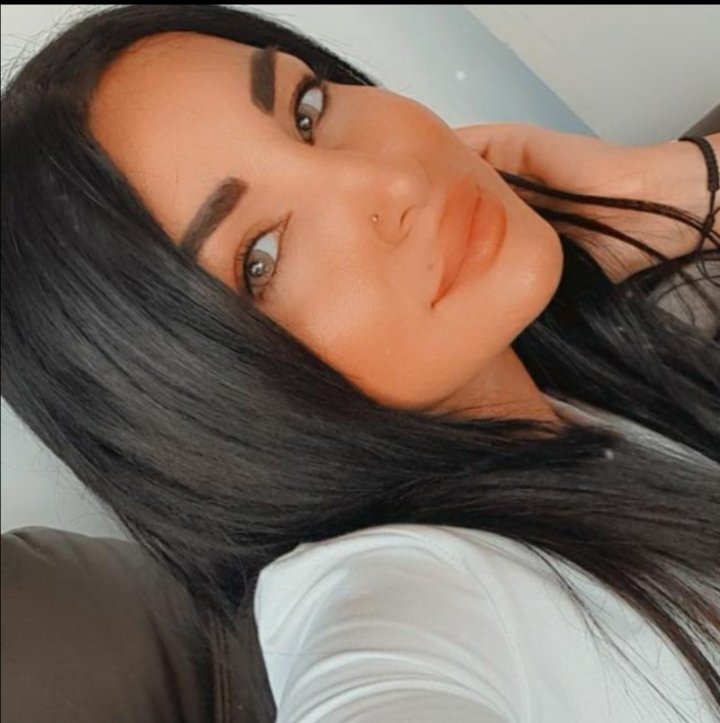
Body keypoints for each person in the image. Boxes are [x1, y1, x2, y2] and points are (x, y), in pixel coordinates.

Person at [1, 5, 718, 722]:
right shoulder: (394, 602)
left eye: (305, 111)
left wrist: (668, 190)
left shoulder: (559, 388)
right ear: (208, 406)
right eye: (261, 259)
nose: (391, 182)